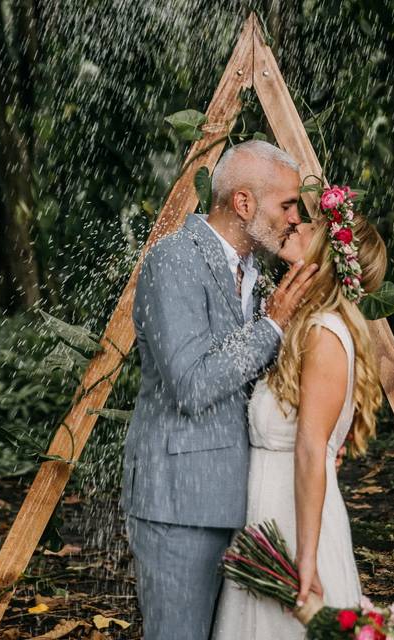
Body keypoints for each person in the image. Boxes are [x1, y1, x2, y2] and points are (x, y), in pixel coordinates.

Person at [120, 140, 319, 640]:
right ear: (244, 203)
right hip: (180, 504)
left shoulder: (255, 271)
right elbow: (191, 384)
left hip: (244, 500)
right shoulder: (174, 261)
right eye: (287, 204)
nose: (296, 218)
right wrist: (272, 325)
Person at [212, 194, 388, 639]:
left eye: (312, 228)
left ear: (326, 259)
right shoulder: (302, 326)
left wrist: (305, 558)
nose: (298, 227)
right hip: (267, 513)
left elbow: (311, 448)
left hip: (296, 524)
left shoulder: (325, 333)